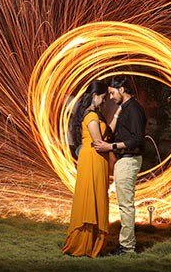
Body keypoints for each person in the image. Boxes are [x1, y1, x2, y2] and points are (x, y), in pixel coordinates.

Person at [93, 75, 146, 255]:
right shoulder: (125, 108)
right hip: (124, 160)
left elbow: (137, 140)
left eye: (112, 93)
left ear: (122, 90)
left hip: (129, 160)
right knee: (124, 204)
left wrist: (110, 147)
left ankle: (127, 247)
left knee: (125, 205)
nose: (110, 97)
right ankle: (126, 244)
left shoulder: (134, 110)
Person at [62, 80, 111, 258]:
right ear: (95, 96)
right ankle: (84, 243)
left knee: (95, 194)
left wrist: (117, 116)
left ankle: (90, 240)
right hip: (93, 158)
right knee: (91, 195)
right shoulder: (91, 116)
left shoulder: (95, 115)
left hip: (96, 158)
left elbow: (106, 134)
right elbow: (99, 142)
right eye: (103, 97)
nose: (104, 101)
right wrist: (115, 146)